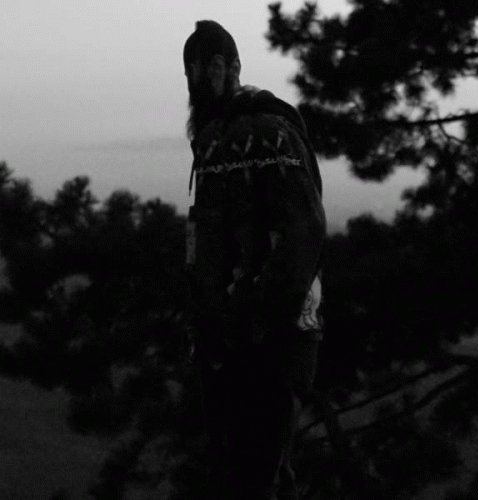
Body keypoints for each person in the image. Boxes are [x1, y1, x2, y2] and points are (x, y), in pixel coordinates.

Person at [183, 20, 326, 500]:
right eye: (194, 71)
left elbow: (303, 231)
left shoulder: (271, 131)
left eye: (209, 67)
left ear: (232, 67)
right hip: (225, 339)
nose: (199, 80)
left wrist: (259, 318)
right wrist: (206, 318)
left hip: (274, 337)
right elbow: (206, 237)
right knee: (231, 474)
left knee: (260, 475)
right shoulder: (210, 139)